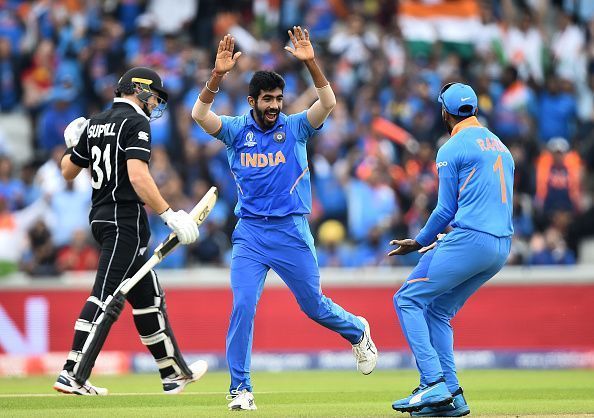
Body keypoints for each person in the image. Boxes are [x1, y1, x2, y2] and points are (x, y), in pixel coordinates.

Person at [191, 28, 378, 411]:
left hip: (291, 230)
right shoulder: (235, 131)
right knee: (243, 305)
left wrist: (310, 62)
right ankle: (240, 389)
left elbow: (328, 101)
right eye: (267, 99)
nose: (274, 105)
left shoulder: (294, 128)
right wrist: (216, 76)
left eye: (278, 98)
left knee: (313, 306)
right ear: (252, 101)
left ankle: (358, 330)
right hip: (251, 235)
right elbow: (199, 115)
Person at [54, 67, 207, 396]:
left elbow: (67, 170)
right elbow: (138, 177)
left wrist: (73, 143)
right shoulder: (136, 123)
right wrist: (169, 215)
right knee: (106, 295)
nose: (155, 103)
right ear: (138, 90)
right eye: (152, 95)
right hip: (124, 220)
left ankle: (173, 372)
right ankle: (72, 372)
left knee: (148, 297)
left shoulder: (95, 122)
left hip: (101, 216)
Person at [388, 83, 514, 416]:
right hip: (500, 246)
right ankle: (453, 396)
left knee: (407, 299)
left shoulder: (451, 147)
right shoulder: (501, 146)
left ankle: (432, 382)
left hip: (471, 239)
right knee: (438, 311)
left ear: (444, 112)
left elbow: (445, 210)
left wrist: (418, 241)